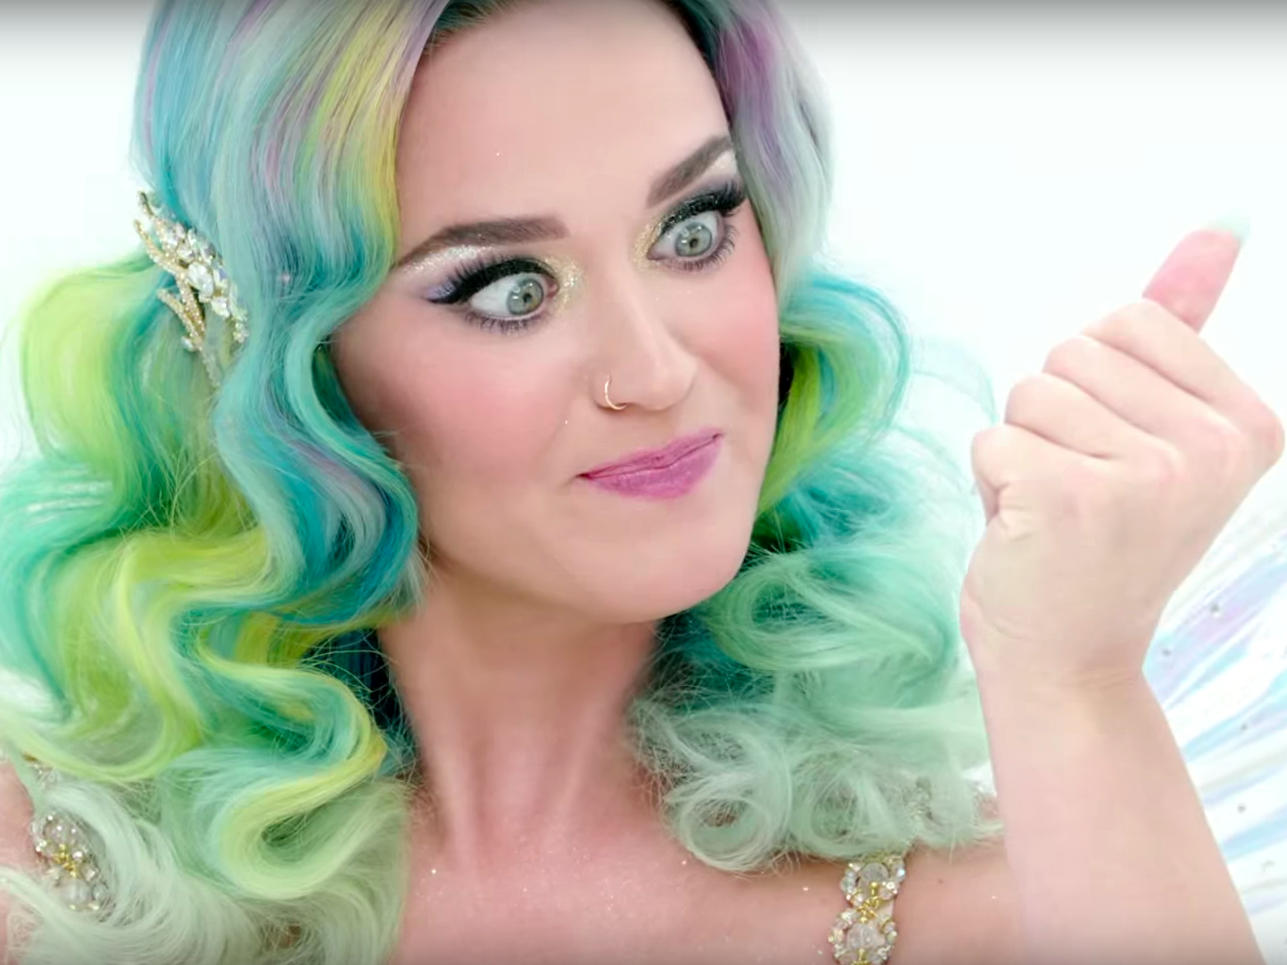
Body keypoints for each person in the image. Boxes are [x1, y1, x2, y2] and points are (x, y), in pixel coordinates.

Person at [0, 0, 1280, 963]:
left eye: (694, 229)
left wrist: (1071, 680)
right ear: (285, 364)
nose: (657, 370)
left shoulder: (1001, 908)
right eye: (510, 287)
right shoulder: (53, 870)